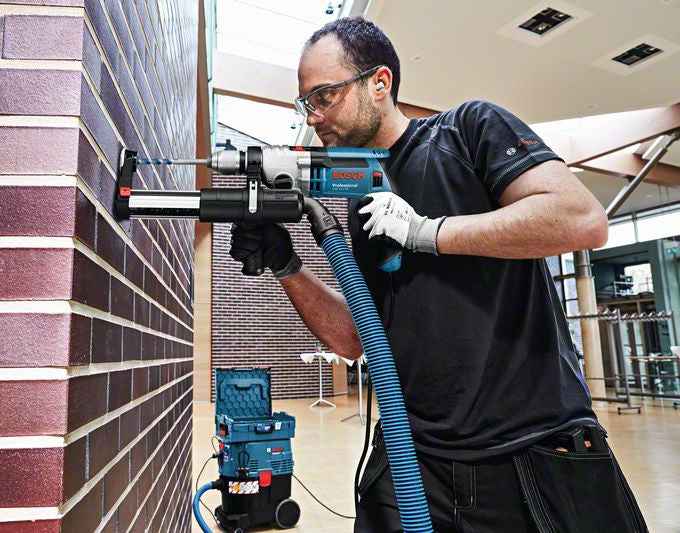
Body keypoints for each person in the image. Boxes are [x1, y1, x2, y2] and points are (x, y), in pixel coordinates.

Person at [229, 16, 648, 533]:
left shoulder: (467, 131)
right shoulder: (361, 192)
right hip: (414, 456)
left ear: (379, 83)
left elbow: (581, 219)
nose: (313, 117)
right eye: (305, 104)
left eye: (325, 97)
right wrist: (287, 265)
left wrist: (426, 232)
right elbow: (356, 338)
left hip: (528, 453)